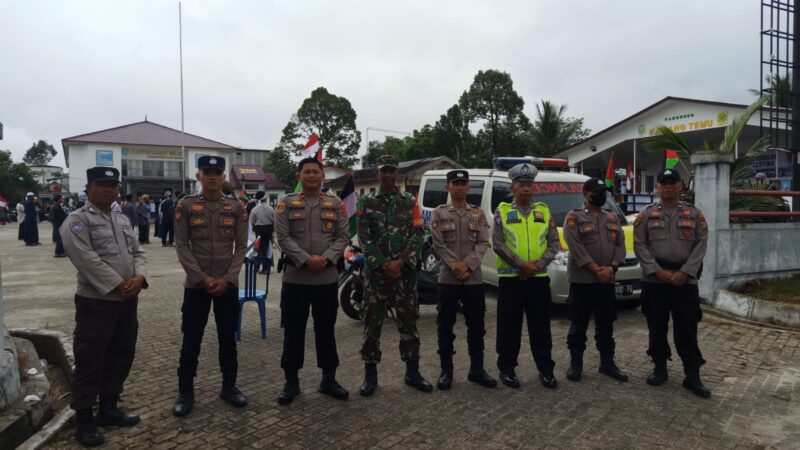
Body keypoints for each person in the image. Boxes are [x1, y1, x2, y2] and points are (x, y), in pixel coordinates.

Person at [60, 167, 147, 447]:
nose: (109, 190)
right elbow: (85, 259)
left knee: (121, 353)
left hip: (127, 300)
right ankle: (84, 417)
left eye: (113, 185)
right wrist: (119, 283)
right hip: (96, 302)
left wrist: (139, 278)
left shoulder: (121, 219)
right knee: (90, 358)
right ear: (88, 188)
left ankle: (108, 408)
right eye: (102, 184)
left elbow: (138, 252)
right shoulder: (77, 221)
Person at [172, 156, 248, 417]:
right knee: (192, 338)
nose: (213, 176)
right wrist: (201, 278)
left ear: (224, 177)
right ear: (199, 176)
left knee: (228, 337)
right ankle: (185, 391)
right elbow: (181, 245)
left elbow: (241, 247)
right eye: (208, 172)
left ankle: (229, 386)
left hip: (227, 285)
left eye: (218, 172)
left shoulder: (237, 207)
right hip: (196, 286)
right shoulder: (186, 205)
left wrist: (228, 278)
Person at [273, 158, 350, 405]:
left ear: (322, 175)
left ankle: (329, 379)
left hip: (326, 279)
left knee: (326, 331)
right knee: (293, 332)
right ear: (300, 175)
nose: (311, 175)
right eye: (307, 171)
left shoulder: (335, 203)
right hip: (295, 279)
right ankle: (291, 382)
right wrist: (306, 260)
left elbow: (343, 236)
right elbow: (283, 238)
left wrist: (326, 259)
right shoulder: (286, 203)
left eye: (316, 171)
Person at [356, 154, 432, 396]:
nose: (388, 175)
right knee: (372, 323)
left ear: (397, 174)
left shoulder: (410, 201)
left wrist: (400, 262)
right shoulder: (365, 203)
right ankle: (370, 376)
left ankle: (412, 372)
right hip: (377, 276)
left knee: (409, 322)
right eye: (384, 171)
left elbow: (418, 234)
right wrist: (383, 263)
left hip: (405, 275)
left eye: (392, 171)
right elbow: (364, 238)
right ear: (377, 174)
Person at [633, 169, 711, 398]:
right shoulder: (646, 215)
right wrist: (658, 271)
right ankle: (659, 367)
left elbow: (701, 245)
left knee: (687, 327)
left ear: (680, 186)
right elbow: (640, 245)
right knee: (656, 325)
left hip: (684, 281)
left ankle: (692, 375)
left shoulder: (694, 214)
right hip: (655, 281)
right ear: (657, 187)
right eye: (663, 183)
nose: (668, 187)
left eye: (672, 183)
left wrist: (685, 272)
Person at [492, 163, 561, 389]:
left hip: (538, 280)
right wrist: (521, 265)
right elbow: (498, 244)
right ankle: (507, 369)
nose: (525, 189)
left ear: (534, 188)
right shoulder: (502, 211)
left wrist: (537, 266)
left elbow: (554, 243)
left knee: (541, 328)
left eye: (529, 185)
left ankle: (546, 369)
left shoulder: (544, 211)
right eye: (521, 185)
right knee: (508, 328)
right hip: (511, 279)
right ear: (513, 187)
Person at [429, 170, 496, 390]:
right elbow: (438, 244)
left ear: (468, 188)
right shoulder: (439, 213)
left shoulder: (477, 214)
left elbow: (483, 242)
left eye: (463, 184)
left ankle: (477, 370)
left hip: (473, 279)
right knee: (445, 326)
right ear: (447, 187)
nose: (459, 187)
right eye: (455, 183)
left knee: (476, 326)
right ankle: (446, 371)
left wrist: (466, 265)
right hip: (448, 279)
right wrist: (455, 266)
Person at [562, 178, 628, 383]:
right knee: (579, 324)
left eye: (603, 192)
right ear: (585, 194)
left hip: (606, 280)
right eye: (596, 192)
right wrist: (595, 269)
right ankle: (576, 365)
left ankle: (607, 363)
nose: (601, 195)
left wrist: (613, 267)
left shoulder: (612, 218)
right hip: (583, 281)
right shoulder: (574, 217)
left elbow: (620, 245)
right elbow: (576, 247)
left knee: (606, 324)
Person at [249, 191, 276, 273]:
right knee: (268, 248)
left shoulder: (254, 209)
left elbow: (251, 221)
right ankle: (265, 267)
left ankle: (261, 267)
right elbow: (274, 221)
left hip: (259, 229)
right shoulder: (271, 208)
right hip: (269, 229)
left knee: (260, 248)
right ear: (265, 198)